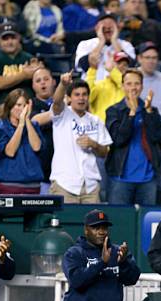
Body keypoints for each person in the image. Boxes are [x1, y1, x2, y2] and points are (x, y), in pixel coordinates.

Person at [42, 72, 112, 203]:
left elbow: (104, 153)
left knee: (93, 224)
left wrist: (93, 144)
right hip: (64, 185)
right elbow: (56, 102)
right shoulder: (62, 114)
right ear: (68, 98)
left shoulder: (95, 121)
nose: (81, 98)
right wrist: (63, 84)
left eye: (84, 94)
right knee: (64, 223)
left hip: (90, 186)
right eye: (77, 95)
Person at [105, 69, 161, 205]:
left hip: (148, 179)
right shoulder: (114, 111)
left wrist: (149, 112)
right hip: (120, 179)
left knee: (145, 223)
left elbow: (159, 138)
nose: (133, 87)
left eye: (137, 84)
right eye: (129, 84)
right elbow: (118, 140)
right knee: (119, 222)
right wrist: (132, 113)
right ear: (122, 86)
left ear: (142, 86)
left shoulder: (150, 110)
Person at [0, 89, 44, 194]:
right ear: (10, 107)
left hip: (33, 186)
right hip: (8, 185)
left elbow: (37, 147)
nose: (22, 109)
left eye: (25, 105)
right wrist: (21, 124)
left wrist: (27, 120)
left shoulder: (33, 126)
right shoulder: (0, 127)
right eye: (18, 105)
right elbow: (10, 152)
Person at [0, 22, 41, 108]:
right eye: (5, 39)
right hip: (0, 106)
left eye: (13, 38)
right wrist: (23, 75)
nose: (10, 42)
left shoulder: (29, 58)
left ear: (19, 38)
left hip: (28, 106)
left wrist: (39, 70)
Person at [74, 14, 136, 81]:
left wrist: (114, 42)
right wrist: (101, 43)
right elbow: (84, 66)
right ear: (96, 28)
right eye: (103, 25)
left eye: (111, 25)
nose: (108, 27)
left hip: (118, 88)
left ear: (117, 28)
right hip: (92, 87)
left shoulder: (126, 45)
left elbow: (130, 67)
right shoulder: (85, 44)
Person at [30, 67, 56, 193]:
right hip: (40, 175)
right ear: (33, 86)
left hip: (65, 175)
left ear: (54, 82)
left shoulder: (66, 102)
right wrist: (60, 109)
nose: (43, 83)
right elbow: (34, 121)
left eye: (46, 79)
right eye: (38, 80)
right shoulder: (29, 105)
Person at [86, 51, 130, 122]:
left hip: (121, 129)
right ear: (112, 64)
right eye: (118, 63)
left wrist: (112, 70)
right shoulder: (100, 84)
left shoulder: (129, 87)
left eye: (125, 65)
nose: (122, 66)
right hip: (101, 129)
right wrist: (93, 69)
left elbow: (125, 86)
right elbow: (88, 97)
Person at [137, 42, 161, 112]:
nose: (151, 61)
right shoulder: (132, 77)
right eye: (147, 57)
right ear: (139, 59)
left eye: (154, 58)